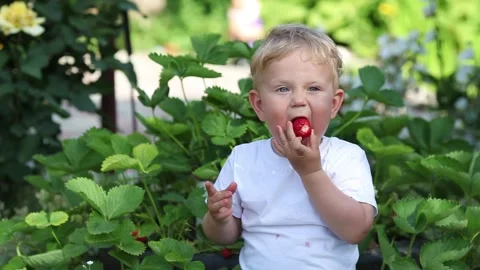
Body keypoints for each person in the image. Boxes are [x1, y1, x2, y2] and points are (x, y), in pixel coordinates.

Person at [202, 24, 377, 270]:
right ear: (260, 105)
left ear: (334, 104)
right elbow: (224, 236)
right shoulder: (244, 159)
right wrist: (218, 219)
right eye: (283, 89)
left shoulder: (346, 158)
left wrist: (311, 172)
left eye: (313, 88)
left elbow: (356, 230)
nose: (298, 100)